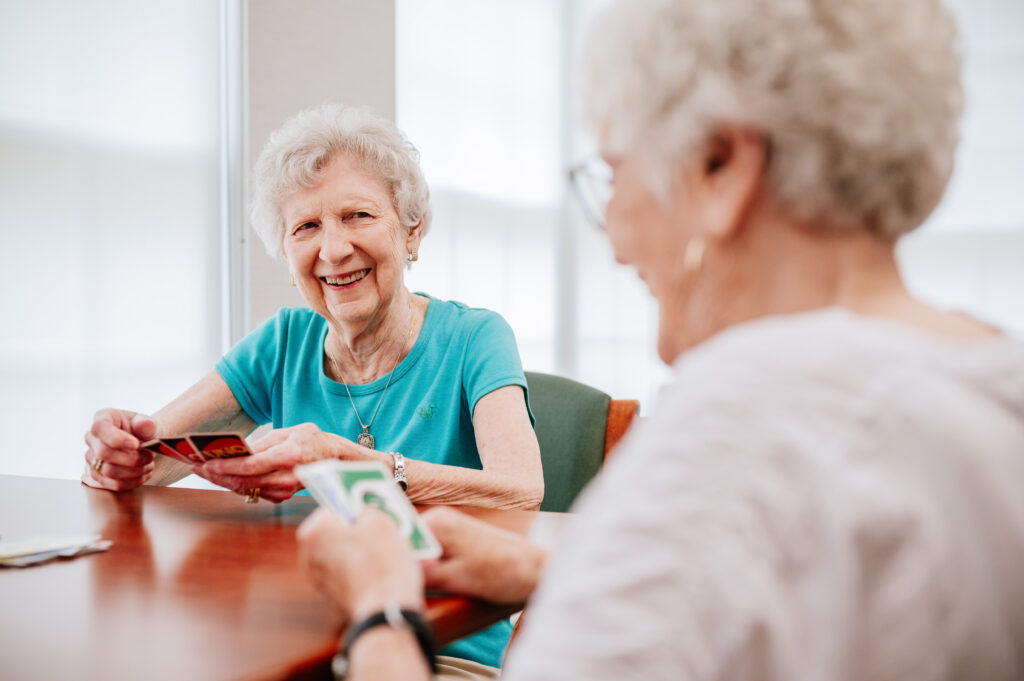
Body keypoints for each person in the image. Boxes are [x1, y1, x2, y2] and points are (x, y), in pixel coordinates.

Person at [296, 0, 1024, 679]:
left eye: (615, 171)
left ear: (720, 165)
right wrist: (555, 573)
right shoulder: (994, 386)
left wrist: (380, 607)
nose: (614, 237)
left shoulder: (731, 436)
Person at [81, 103, 544, 674]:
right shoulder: (283, 341)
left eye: (357, 215)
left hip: (440, 654)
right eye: (306, 227)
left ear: (412, 229)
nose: (332, 250)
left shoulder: (475, 336)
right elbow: (158, 452)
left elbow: (522, 491)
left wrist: (361, 464)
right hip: (294, 646)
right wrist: (119, 456)